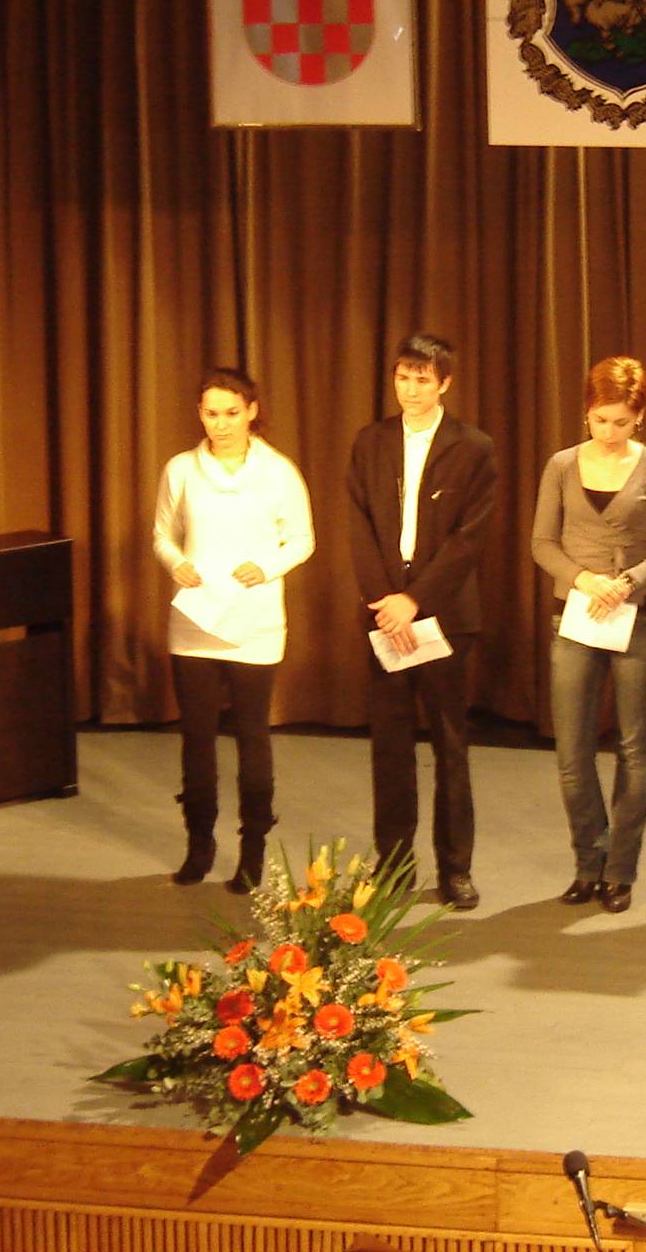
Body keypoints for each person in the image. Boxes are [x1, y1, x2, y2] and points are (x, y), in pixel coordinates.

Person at [345, 333, 499, 909]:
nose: (410, 390)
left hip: (444, 618)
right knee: (389, 747)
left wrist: (415, 600)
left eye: (422, 380)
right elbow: (358, 526)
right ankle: (393, 865)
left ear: (445, 383)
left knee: (450, 746)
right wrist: (386, 602)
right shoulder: (371, 441)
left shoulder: (473, 447)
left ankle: (455, 868)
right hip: (384, 616)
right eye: (402, 378)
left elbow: (469, 539)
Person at [529, 356, 646, 914]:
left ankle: (621, 871)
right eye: (600, 420)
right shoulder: (561, 465)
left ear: (639, 416)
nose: (609, 432)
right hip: (575, 616)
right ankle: (587, 863)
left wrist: (630, 581)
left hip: (638, 618)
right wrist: (584, 579)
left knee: (633, 748)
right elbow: (542, 543)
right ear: (586, 414)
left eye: (621, 422)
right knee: (572, 751)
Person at [152, 367, 315, 892]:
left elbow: (303, 540)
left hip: (253, 621)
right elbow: (162, 535)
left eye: (230, 413)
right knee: (197, 739)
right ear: (199, 414)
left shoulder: (278, 472)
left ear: (251, 412)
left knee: (252, 736)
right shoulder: (181, 469)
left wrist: (265, 567)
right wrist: (176, 562)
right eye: (210, 413)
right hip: (196, 619)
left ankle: (253, 850)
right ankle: (199, 843)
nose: (220, 424)